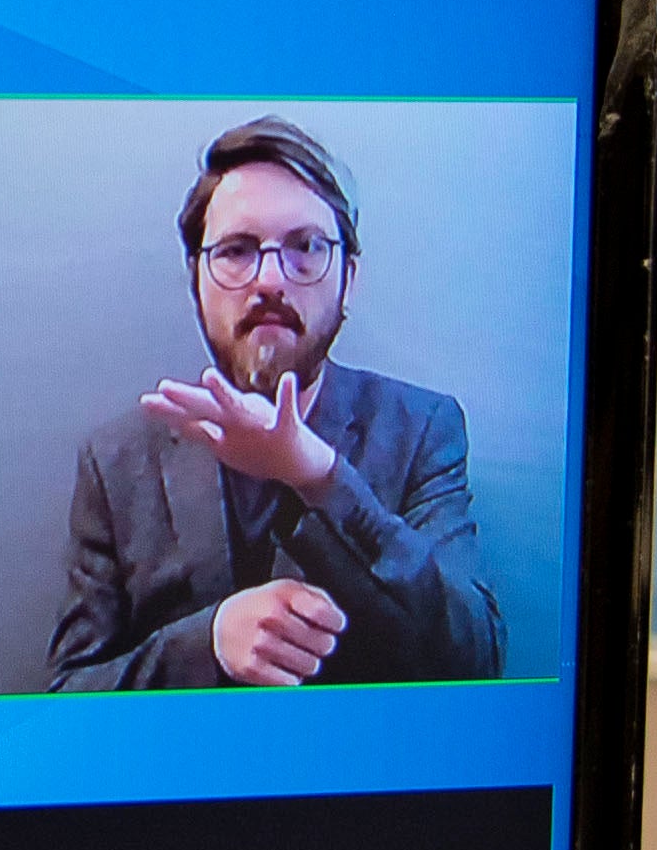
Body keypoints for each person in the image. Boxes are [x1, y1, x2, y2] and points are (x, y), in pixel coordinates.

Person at [50, 116, 502, 689]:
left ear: (348, 279)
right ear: (196, 280)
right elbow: (67, 694)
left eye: (306, 247)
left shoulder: (421, 432)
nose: (269, 280)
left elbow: (476, 661)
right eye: (237, 250)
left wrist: (320, 477)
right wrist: (208, 644)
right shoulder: (116, 461)